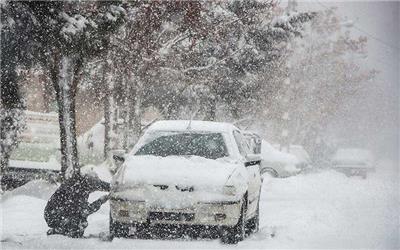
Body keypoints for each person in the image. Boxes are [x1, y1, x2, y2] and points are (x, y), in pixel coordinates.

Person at [44, 169, 110, 238]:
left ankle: (67, 229)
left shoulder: (84, 182)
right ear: (88, 183)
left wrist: (113, 188)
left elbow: (101, 185)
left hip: (59, 211)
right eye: (93, 186)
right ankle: (60, 231)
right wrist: (100, 201)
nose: (94, 189)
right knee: (77, 221)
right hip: (53, 215)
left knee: (79, 219)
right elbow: (85, 211)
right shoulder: (76, 190)